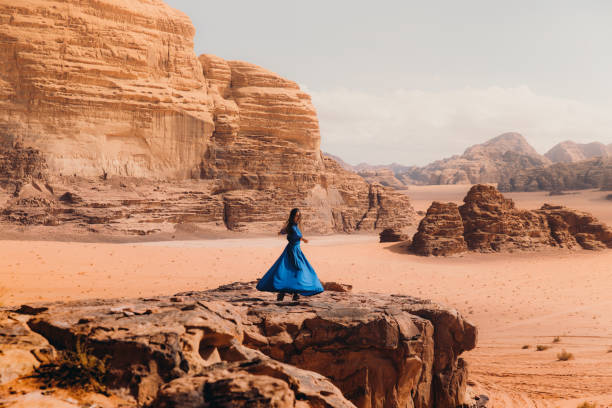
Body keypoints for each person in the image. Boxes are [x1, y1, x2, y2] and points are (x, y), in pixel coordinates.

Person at [256, 208, 324, 301]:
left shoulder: (295, 226)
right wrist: (281, 232)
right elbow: (286, 232)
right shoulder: (291, 226)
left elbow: (296, 235)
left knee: (295, 271)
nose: (298, 217)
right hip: (291, 251)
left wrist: (303, 239)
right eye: (296, 215)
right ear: (292, 216)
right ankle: (284, 292)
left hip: (297, 250)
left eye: (299, 215)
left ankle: (294, 293)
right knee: (290, 270)